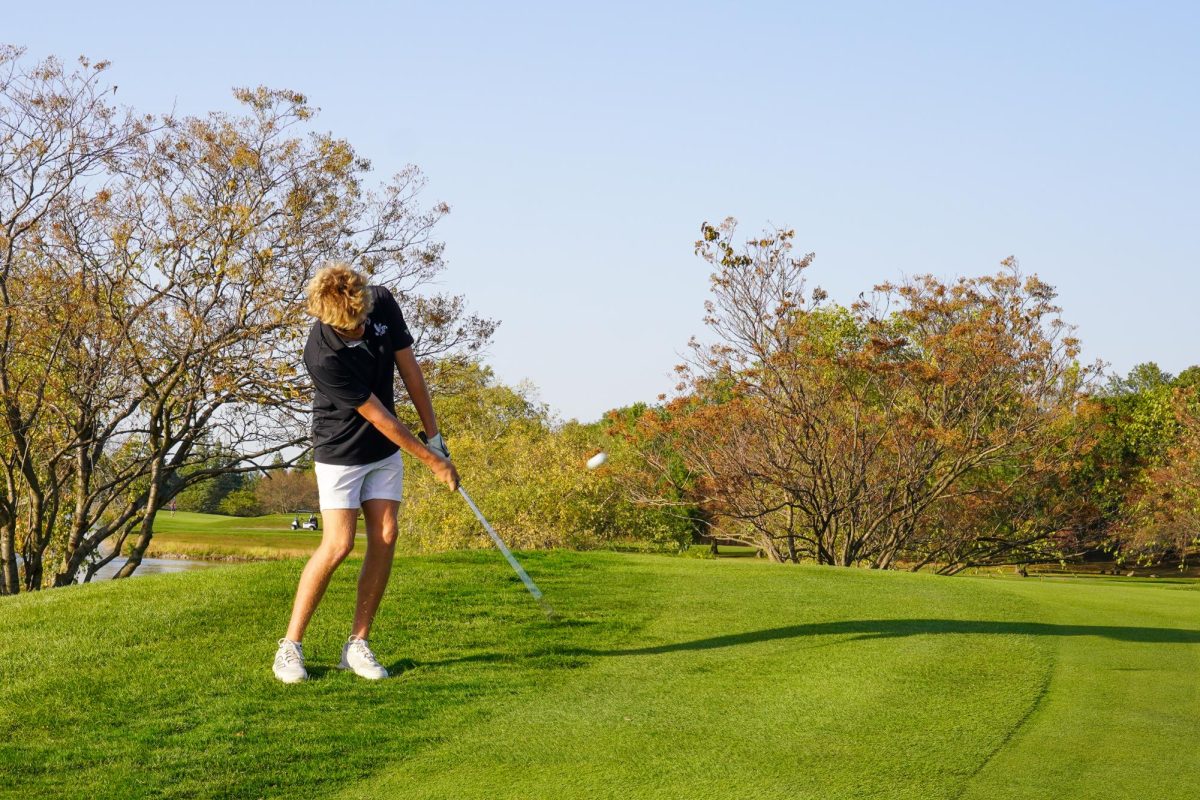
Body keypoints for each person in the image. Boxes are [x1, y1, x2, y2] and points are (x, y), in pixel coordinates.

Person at [273, 263, 458, 683]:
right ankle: (290, 647)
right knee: (338, 544)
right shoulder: (321, 354)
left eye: (360, 323)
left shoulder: (382, 301)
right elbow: (376, 415)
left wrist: (435, 437)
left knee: (387, 534)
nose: (357, 332)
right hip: (340, 451)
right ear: (325, 318)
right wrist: (432, 462)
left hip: (383, 450)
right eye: (347, 328)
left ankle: (357, 644)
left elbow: (409, 369)